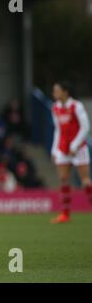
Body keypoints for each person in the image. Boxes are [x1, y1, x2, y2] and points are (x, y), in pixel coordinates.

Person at [50, 81, 92, 223]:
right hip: (63, 148)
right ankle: (65, 214)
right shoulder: (55, 107)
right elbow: (58, 129)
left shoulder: (76, 106)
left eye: (57, 90)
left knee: (85, 181)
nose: (54, 93)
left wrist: (74, 145)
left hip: (78, 148)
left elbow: (85, 127)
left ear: (65, 91)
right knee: (63, 180)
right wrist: (54, 149)